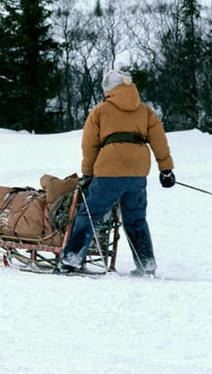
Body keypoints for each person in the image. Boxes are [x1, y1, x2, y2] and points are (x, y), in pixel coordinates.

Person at [58, 69, 175, 276]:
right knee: (136, 219)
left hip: (109, 169)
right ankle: (146, 264)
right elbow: (159, 140)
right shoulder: (145, 111)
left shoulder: (101, 110)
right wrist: (166, 169)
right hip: (138, 171)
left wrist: (87, 174)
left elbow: (90, 145)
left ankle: (71, 260)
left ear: (109, 89)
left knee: (90, 213)